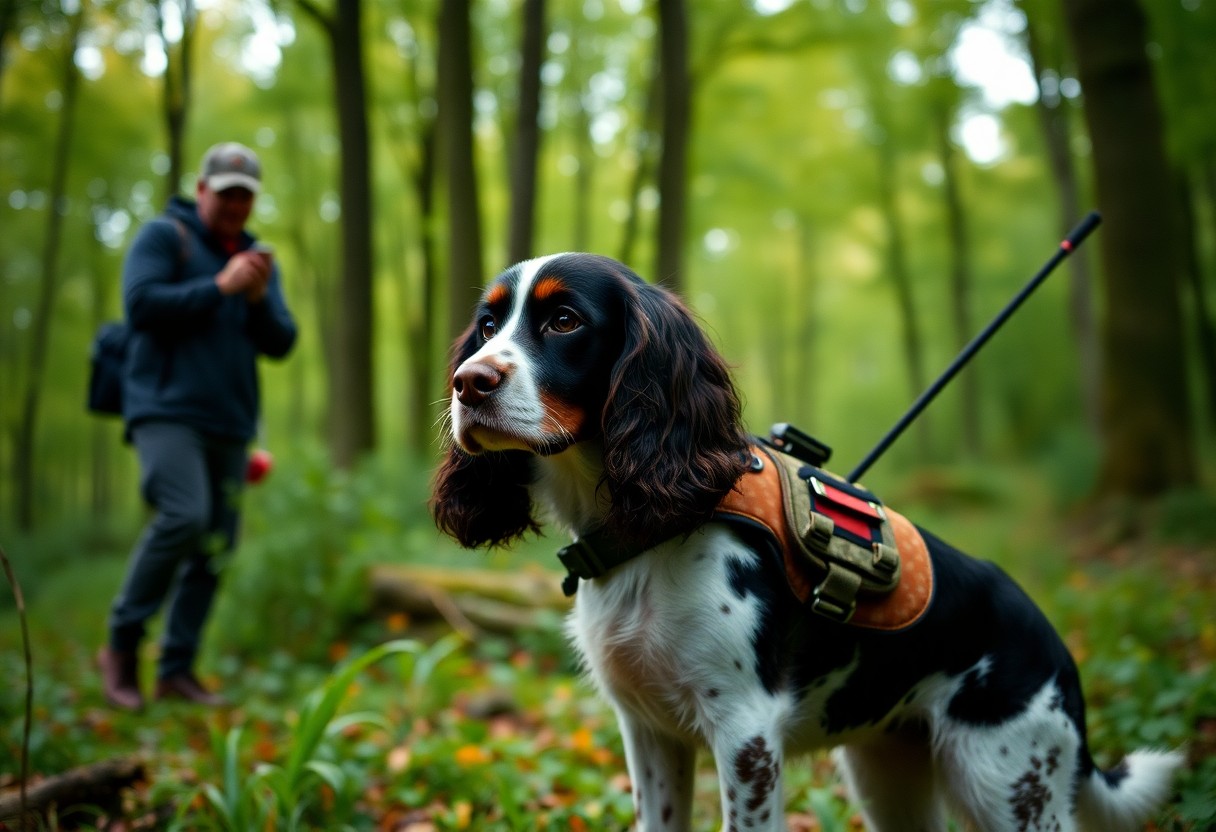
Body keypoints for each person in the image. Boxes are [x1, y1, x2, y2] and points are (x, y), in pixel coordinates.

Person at [97, 142, 297, 710]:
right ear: (203, 190)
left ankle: (176, 668)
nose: (236, 204)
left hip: (230, 422)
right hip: (163, 410)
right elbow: (141, 305)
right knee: (185, 515)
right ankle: (121, 645)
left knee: (216, 546)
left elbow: (281, 341)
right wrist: (220, 287)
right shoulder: (166, 237)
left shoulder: (258, 257)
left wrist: (257, 299)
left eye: (246, 195)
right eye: (227, 191)